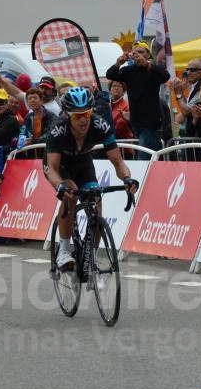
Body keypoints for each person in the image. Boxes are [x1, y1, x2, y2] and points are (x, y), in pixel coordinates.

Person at [43, 87, 139, 269]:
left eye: (86, 114)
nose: (83, 120)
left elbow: (118, 162)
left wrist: (127, 179)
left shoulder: (100, 125)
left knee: (95, 204)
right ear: (67, 114)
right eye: (77, 116)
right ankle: (63, 250)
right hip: (59, 165)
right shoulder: (58, 129)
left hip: (82, 162)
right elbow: (52, 170)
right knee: (70, 193)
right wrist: (60, 187)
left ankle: (91, 260)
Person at [105, 41, 170, 158]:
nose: (138, 55)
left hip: (151, 123)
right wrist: (118, 63)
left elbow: (166, 76)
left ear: (148, 55)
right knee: (146, 158)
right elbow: (110, 75)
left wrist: (147, 64)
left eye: (141, 52)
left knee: (143, 158)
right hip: (135, 122)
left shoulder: (153, 70)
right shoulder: (129, 71)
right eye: (135, 52)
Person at [173, 58, 201, 136]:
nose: (188, 72)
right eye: (187, 69)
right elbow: (187, 106)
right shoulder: (195, 85)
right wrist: (180, 92)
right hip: (194, 131)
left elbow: (186, 112)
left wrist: (179, 94)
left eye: (192, 70)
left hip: (200, 134)